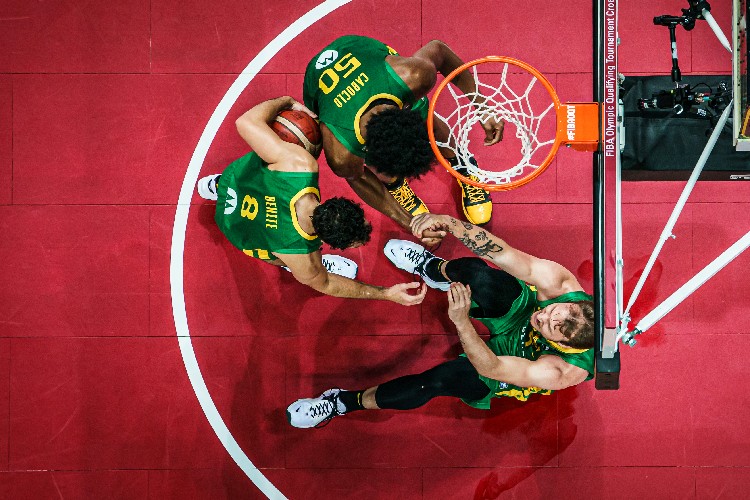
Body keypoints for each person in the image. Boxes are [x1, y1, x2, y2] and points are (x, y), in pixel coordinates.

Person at [286, 213, 594, 428]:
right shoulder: (561, 286)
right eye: (551, 311)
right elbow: (502, 254)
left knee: (434, 383)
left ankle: (341, 402)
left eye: (547, 325)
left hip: (511, 360)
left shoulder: (561, 372)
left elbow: (492, 368)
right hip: (516, 311)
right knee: (479, 274)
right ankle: (433, 270)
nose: (543, 316)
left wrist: (462, 322)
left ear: (561, 344)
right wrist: (450, 223)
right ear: (572, 304)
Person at [196, 96, 426, 306]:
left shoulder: (300, 166)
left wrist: (285, 101)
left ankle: (217, 186)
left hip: (233, 180)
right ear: (325, 242)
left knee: (272, 158)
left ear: (339, 201)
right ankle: (286, 265)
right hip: (233, 228)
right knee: (284, 260)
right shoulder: (301, 255)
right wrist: (384, 293)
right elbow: (325, 283)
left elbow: (244, 122)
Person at [303, 35, 505, 238]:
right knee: (382, 167)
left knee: (430, 125)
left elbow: (439, 51)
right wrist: (409, 222)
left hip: (359, 49)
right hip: (316, 82)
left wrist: (482, 107)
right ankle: (395, 184)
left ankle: (462, 165)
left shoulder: (412, 75)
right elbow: (358, 177)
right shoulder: (341, 153)